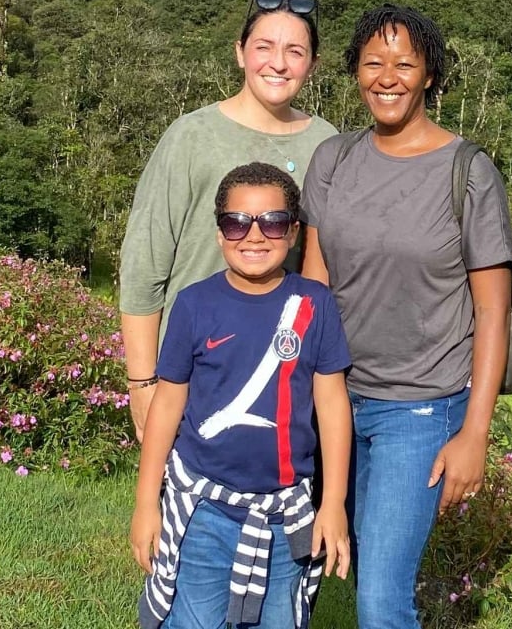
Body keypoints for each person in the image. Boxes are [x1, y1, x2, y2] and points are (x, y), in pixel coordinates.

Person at [299, 4, 512, 629]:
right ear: (355, 73)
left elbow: (492, 312)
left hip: (418, 410)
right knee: (322, 562)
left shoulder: (465, 172)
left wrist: (475, 432)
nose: (386, 77)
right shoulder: (334, 162)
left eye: (403, 63)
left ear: (428, 75)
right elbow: (314, 287)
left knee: (380, 598)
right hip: (332, 397)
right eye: (372, 63)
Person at [130, 162, 352, 629]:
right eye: (237, 222)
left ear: (292, 232)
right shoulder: (193, 304)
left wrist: (331, 505)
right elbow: (167, 406)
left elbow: (332, 406)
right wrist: (146, 503)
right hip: (203, 512)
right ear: (219, 234)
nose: (254, 236)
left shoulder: (315, 305)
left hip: (285, 514)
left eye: (271, 222)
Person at [119, 0, 337, 441]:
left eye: (295, 52)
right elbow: (144, 265)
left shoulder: (327, 143)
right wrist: (142, 384)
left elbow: (327, 262)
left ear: (312, 65)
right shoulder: (191, 137)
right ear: (240, 52)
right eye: (264, 47)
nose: (277, 63)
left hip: (283, 377)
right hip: (193, 372)